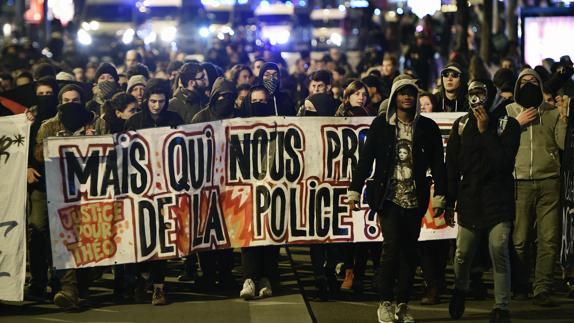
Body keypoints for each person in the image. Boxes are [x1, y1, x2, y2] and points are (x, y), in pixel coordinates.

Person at [348, 79, 446, 323]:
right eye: (402, 93)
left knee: (409, 253)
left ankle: (402, 304)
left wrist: (442, 196)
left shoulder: (428, 127)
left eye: (411, 93)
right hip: (388, 197)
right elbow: (366, 159)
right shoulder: (381, 125)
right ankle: (385, 303)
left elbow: (438, 165)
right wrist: (354, 190)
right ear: (394, 97)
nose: (407, 97)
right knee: (390, 249)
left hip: (416, 198)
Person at [446, 80, 521, 323]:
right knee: (463, 252)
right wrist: (448, 199)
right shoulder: (461, 124)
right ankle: (460, 288)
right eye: (472, 95)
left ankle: (501, 306)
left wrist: (484, 131)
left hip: (498, 198)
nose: (476, 100)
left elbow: (503, 164)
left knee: (498, 249)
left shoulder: (507, 124)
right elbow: (453, 166)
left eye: (481, 94)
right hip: (470, 198)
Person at [35, 84, 100, 309]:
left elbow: (111, 152)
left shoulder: (96, 123)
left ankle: (82, 285)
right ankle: (68, 288)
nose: (71, 104)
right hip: (59, 193)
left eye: (75, 100)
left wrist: (95, 140)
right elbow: (37, 155)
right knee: (63, 237)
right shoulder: (49, 126)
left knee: (86, 238)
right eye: (66, 100)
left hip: (90, 193)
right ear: (60, 102)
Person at [507, 69, 567, 307]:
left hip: (549, 181)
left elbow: (562, 144)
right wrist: (516, 123)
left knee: (549, 238)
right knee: (520, 239)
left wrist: (562, 117)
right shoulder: (509, 112)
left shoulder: (551, 112)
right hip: (519, 181)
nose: (529, 84)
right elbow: (500, 143)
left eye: (534, 81)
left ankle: (542, 288)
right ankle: (520, 285)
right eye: (525, 81)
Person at [24, 77, 59, 301]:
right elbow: (21, 145)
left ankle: (59, 282)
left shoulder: (64, 117)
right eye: (41, 94)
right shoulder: (28, 119)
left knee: (58, 235)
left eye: (49, 94)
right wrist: (26, 166)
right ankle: (38, 281)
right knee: (37, 230)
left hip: (62, 185)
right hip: (38, 184)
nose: (45, 98)